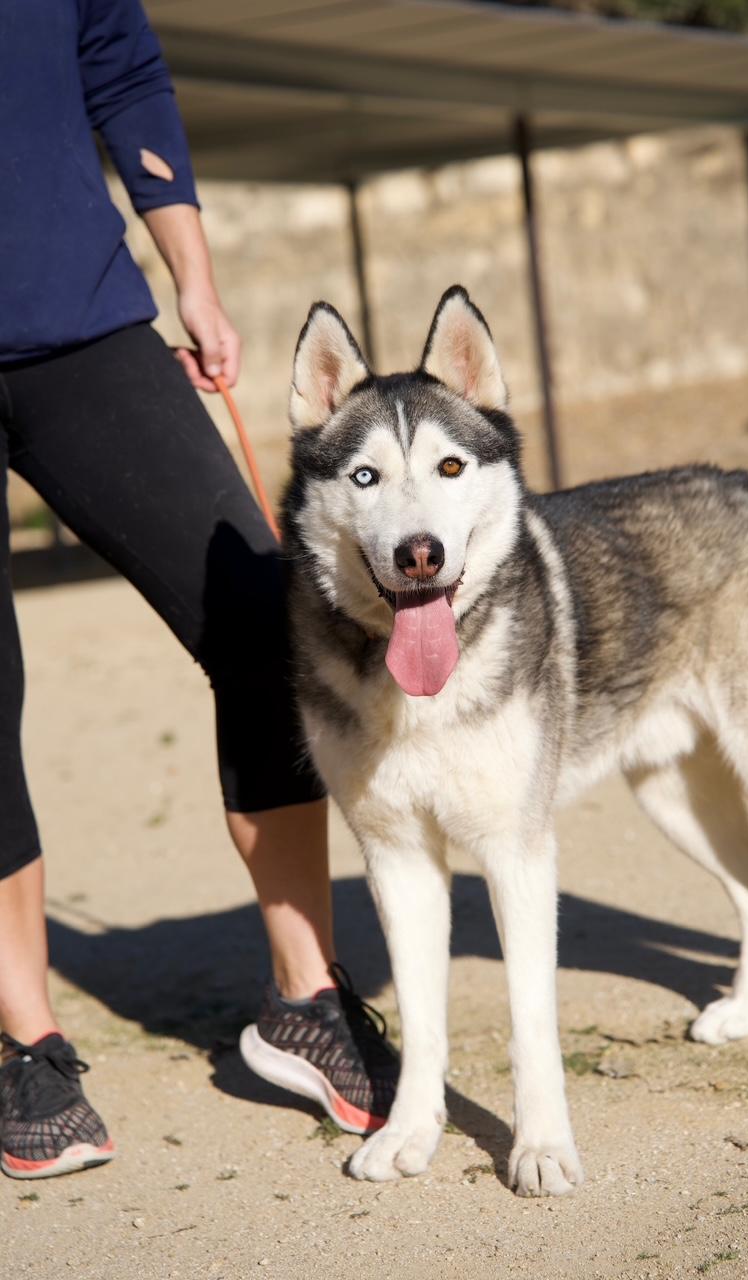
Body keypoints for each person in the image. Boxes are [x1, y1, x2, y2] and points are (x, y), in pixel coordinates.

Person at [0, 0, 397, 1180]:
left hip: (83, 323)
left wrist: (196, 279)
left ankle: (303, 995)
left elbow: (119, 67)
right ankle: (25, 1034)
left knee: (264, 611)